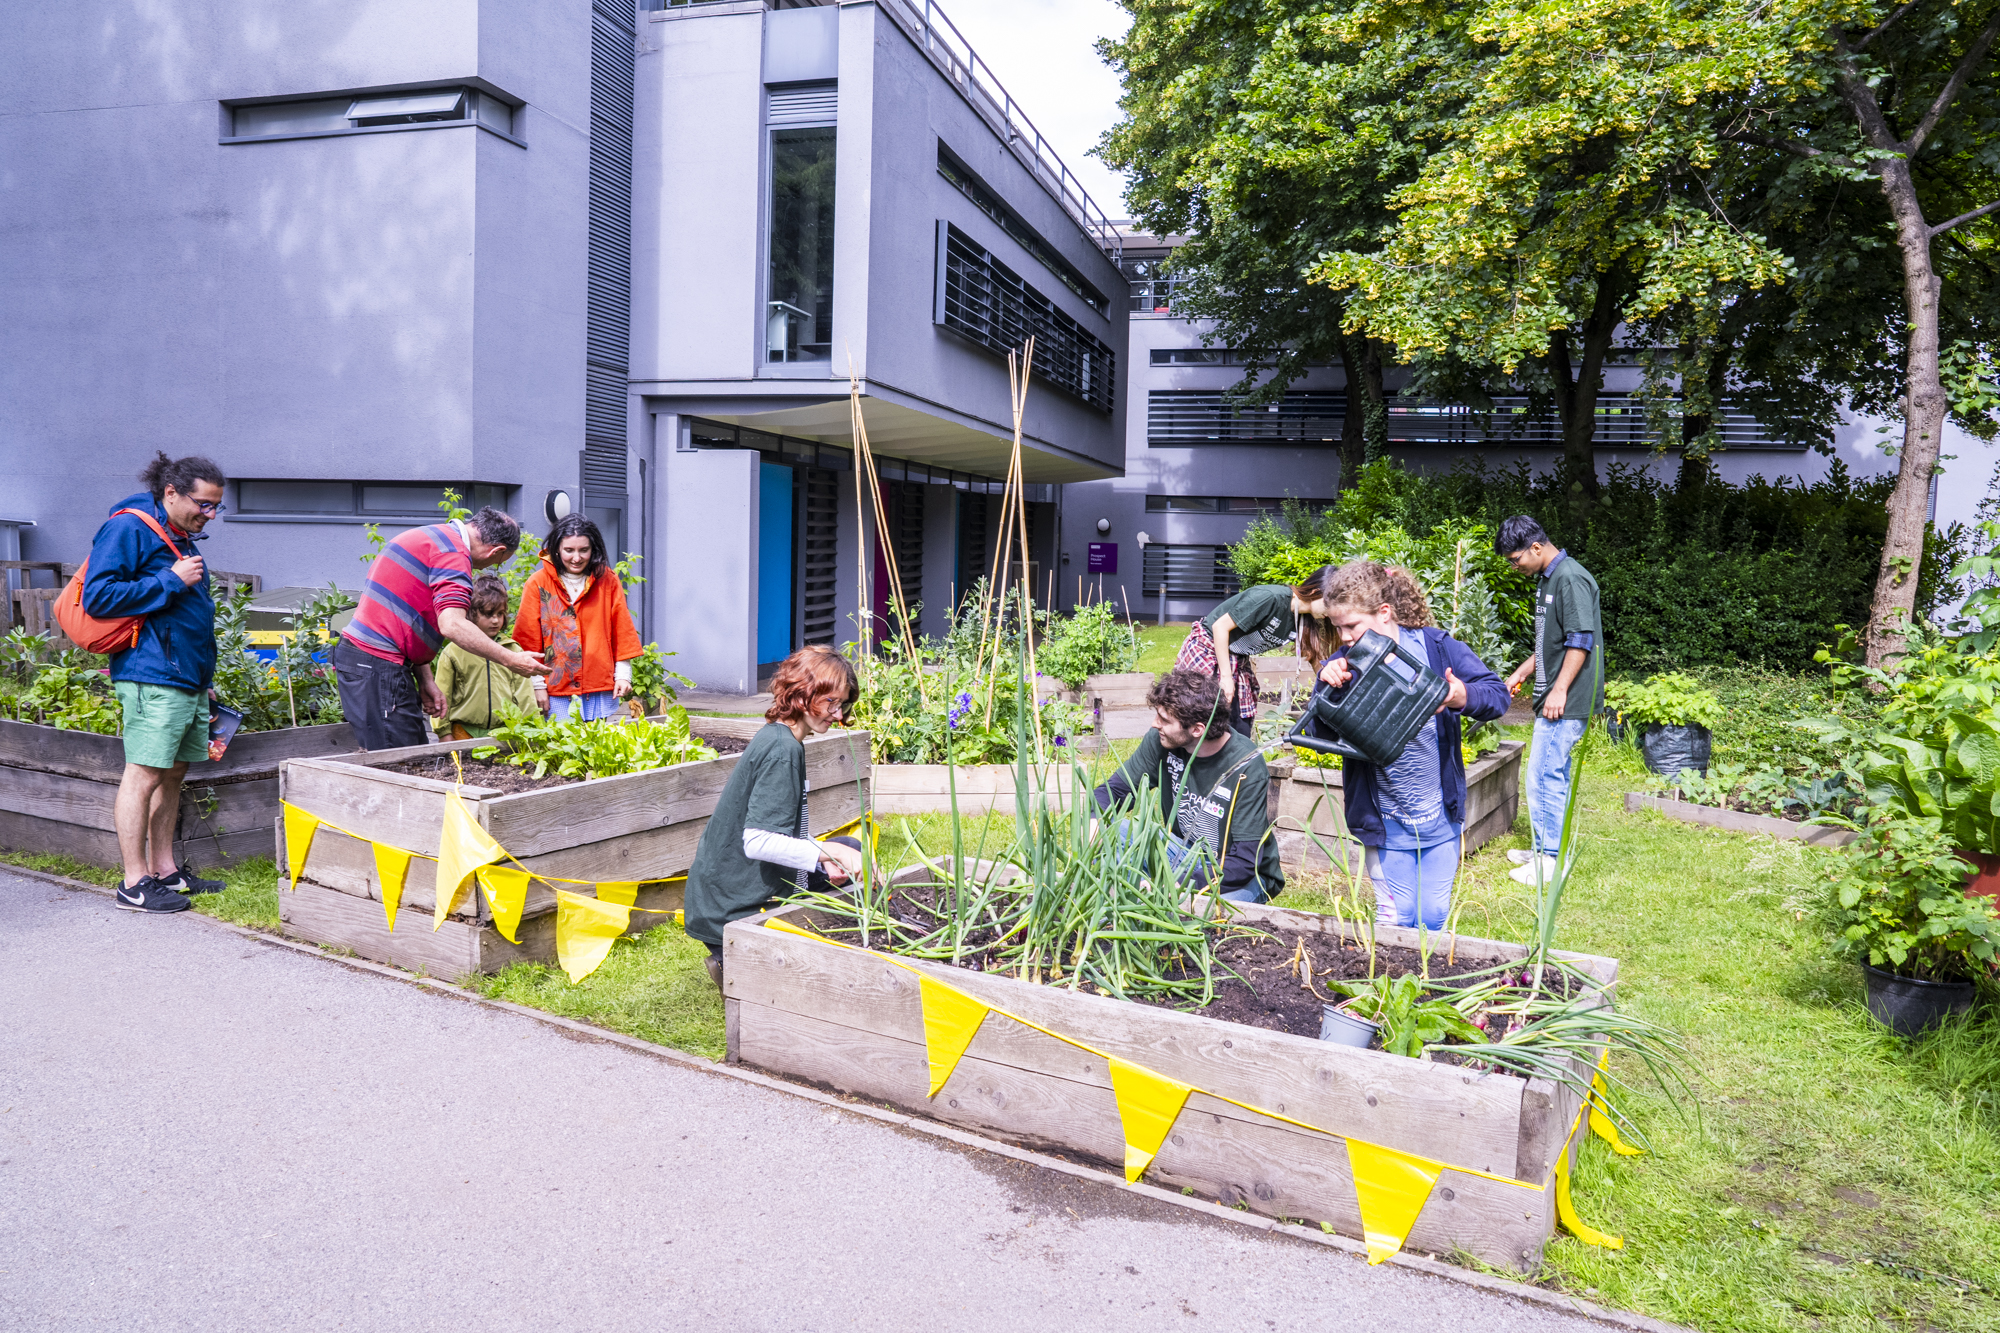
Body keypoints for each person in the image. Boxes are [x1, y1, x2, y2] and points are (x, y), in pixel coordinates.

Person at [1304, 561, 1509, 930]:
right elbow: (1319, 736)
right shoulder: (1343, 665)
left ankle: (1427, 986)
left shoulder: (1437, 649)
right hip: (1385, 822)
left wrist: (1460, 694)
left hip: (1439, 817)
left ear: (1384, 613)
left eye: (1351, 625)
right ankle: (1389, 987)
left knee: (1432, 917)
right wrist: (1325, 688)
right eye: (1338, 628)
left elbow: (1496, 696)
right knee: (1397, 919)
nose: (1345, 637)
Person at [82, 452, 229, 914]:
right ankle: (133, 882)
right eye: (202, 504)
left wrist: (203, 678)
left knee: (173, 772)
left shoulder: (182, 536)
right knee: (143, 774)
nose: (208, 515)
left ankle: (166, 871)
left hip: (185, 677)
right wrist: (170, 580)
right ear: (171, 493)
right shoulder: (127, 528)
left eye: (214, 507)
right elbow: (98, 596)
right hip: (151, 676)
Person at [683, 645, 867, 989]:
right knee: (844, 855)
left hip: (724, 894)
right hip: (731, 906)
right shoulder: (783, 750)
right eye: (830, 702)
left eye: (841, 704)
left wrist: (831, 852)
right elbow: (758, 842)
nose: (838, 715)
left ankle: (743, 959)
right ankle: (734, 959)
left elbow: (781, 833)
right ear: (803, 694)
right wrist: (829, 853)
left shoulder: (777, 736)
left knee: (849, 846)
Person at [336, 506, 549, 750]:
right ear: (497, 550)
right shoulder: (454, 555)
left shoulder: (433, 538)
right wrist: (510, 659)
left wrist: (425, 678)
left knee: (415, 755)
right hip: (376, 665)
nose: (480, 569)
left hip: (373, 662)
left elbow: (406, 618)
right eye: (498, 562)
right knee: (398, 764)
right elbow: (453, 624)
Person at [1090, 668, 1283, 903]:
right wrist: (1094, 822)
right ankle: (1126, 899)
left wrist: (1176, 883)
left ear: (1197, 729)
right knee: (1115, 832)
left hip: (1237, 874)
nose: (1154, 724)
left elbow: (1244, 861)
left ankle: (1146, 898)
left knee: (1197, 915)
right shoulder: (1161, 741)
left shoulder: (1247, 765)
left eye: (1164, 719)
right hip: (1184, 850)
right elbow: (1112, 791)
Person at [1494, 516, 1603, 884]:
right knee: (1547, 772)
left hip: (1566, 699)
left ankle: (1549, 863)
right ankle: (1546, 849)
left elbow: (1580, 641)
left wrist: (1559, 689)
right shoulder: (1549, 578)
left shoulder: (1570, 578)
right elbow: (1551, 641)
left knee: (1544, 774)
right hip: (1554, 694)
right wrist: (1523, 672)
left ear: (1536, 548)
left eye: (1515, 559)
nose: (1515, 566)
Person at [513, 514, 642, 722]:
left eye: (584, 550)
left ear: (594, 549)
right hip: (555, 688)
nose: (576, 557)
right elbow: (528, 640)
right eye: (569, 550)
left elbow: (622, 629)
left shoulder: (608, 580)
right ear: (557, 549)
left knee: (596, 749)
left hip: (598, 686)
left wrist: (623, 675)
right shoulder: (537, 583)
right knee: (560, 749)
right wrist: (537, 686)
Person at [432, 575, 540, 740]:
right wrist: (443, 732)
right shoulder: (453, 651)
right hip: (463, 731)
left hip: (506, 733)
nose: (495, 620)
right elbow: (442, 695)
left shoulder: (513, 651)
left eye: (500, 614)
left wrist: (531, 730)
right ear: (472, 613)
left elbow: (525, 698)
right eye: (488, 614)